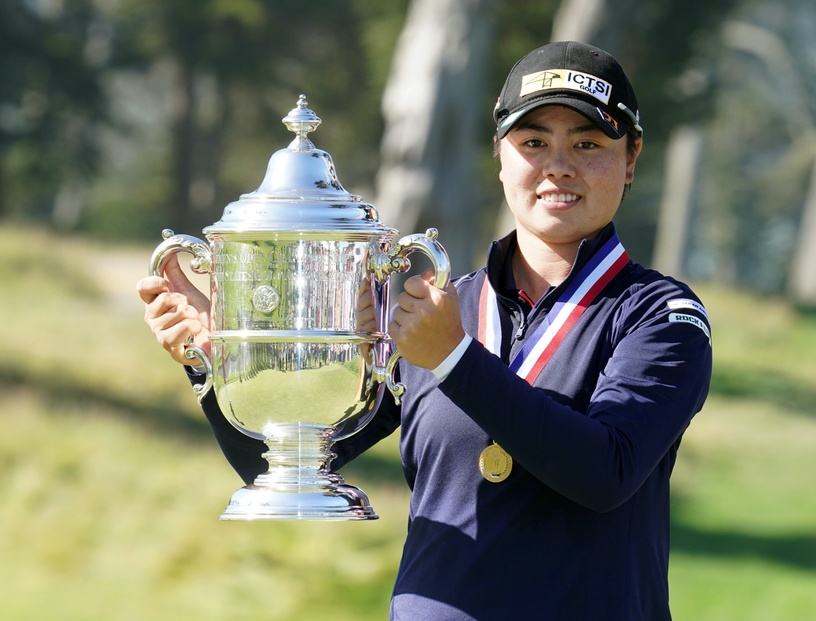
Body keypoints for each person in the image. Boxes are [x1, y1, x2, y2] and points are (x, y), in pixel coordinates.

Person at [138, 41, 713, 621]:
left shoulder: (661, 317)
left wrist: (455, 359)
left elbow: (605, 472)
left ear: (632, 157)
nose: (558, 165)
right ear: (500, 154)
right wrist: (211, 360)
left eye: (587, 144)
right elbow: (279, 466)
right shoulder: (437, 309)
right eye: (534, 142)